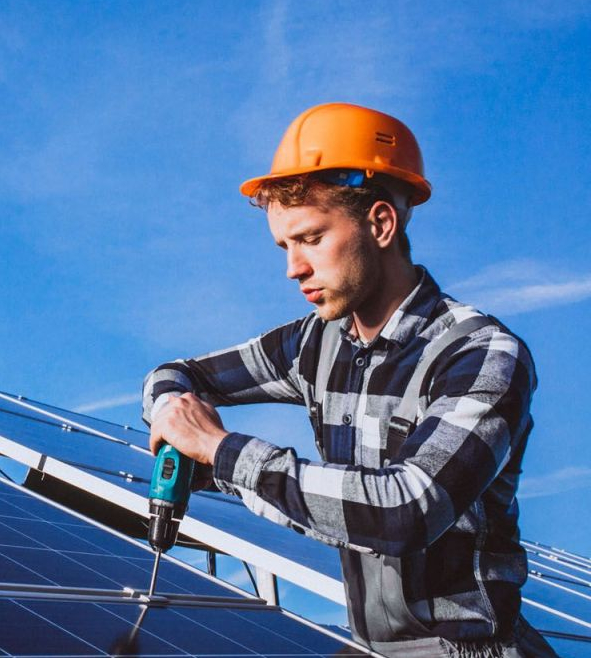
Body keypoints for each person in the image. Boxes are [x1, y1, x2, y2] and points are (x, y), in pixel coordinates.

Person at [142, 103, 556, 657]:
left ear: (380, 224)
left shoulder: (480, 354)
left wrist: (219, 450)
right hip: (370, 648)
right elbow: (175, 374)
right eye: (284, 247)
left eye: (311, 238)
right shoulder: (312, 345)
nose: (293, 268)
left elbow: (406, 510)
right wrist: (173, 413)